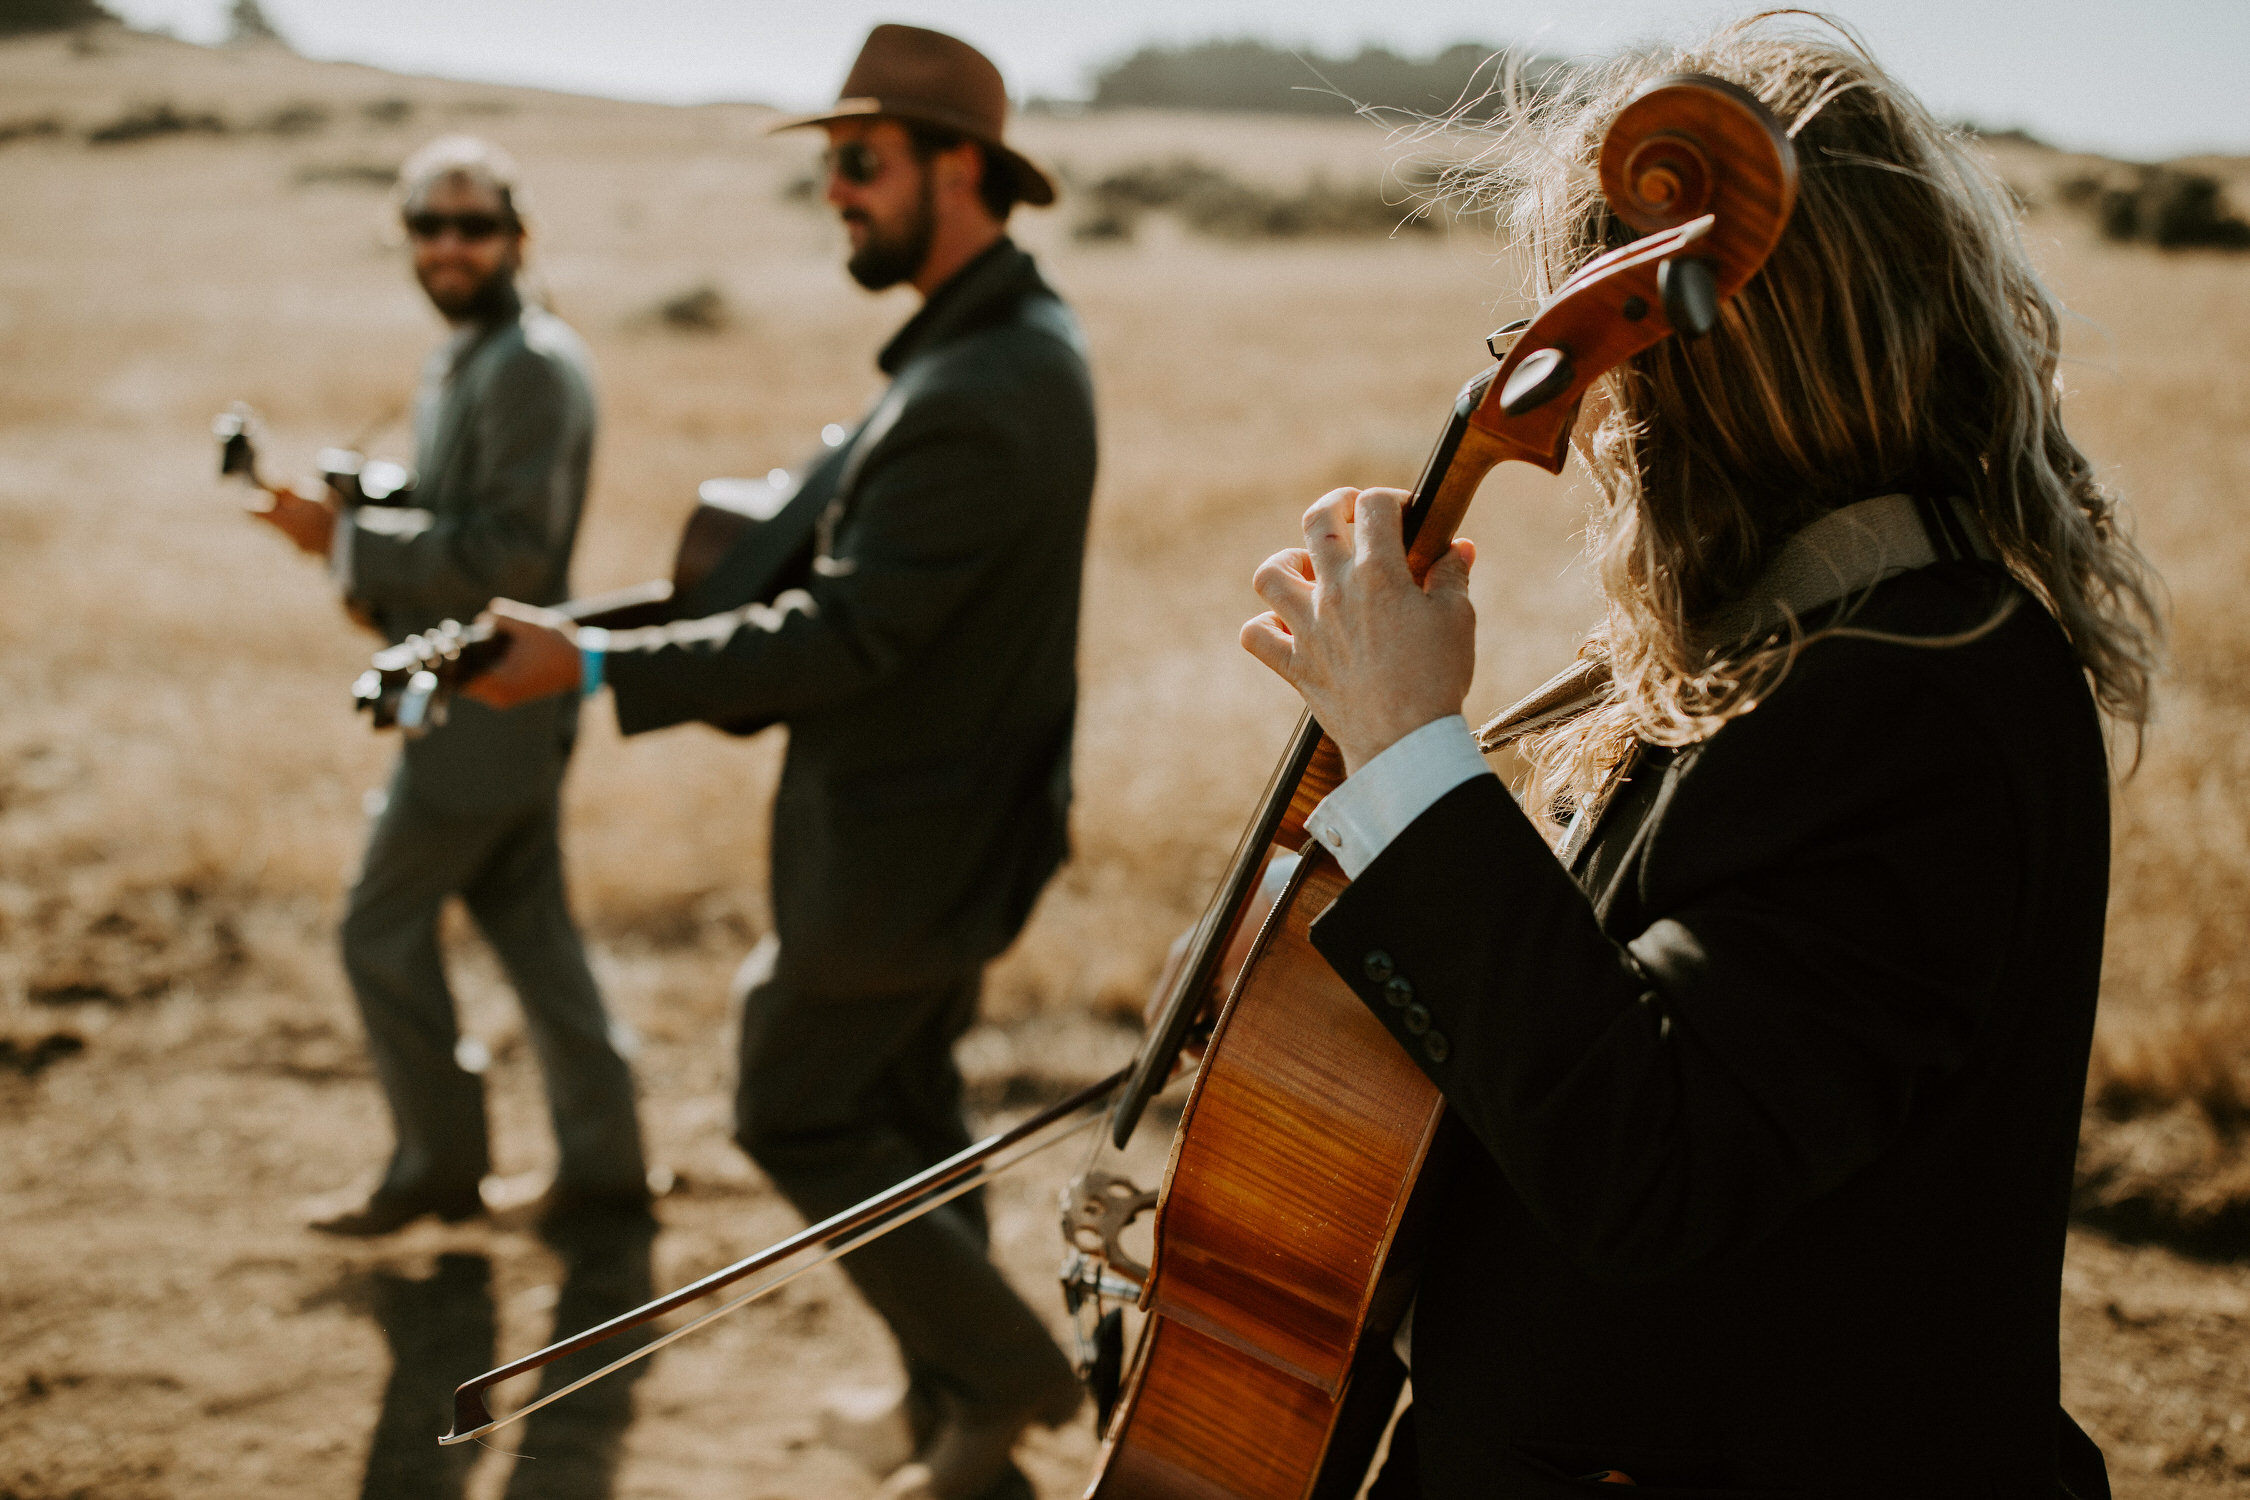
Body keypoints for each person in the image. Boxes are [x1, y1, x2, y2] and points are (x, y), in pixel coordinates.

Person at [1238, 20, 2158, 1500]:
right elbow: (1557, 1045)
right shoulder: (1791, 659)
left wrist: (1410, 755)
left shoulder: (1912, 693)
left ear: (1693, 381)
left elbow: (1654, 1163)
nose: (1595, 414)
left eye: (1608, 366)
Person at [463, 27, 1093, 1500]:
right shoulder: (985, 344)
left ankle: (1005, 1374)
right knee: (913, 1119)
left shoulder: (981, 385)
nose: (836, 194)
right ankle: (959, 1420)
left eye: (860, 163)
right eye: (828, 167)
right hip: (949, 833)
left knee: (791, 1105)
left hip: (904, 846)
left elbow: (841, 638)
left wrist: (602, 663)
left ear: (962, 170)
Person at [253, 136, 648, 1238]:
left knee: (376, 927)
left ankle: (438, 1167)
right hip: (497, 700)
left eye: (473, 226)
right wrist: (362, 524)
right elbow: (456, 513)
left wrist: (349, 540)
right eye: (428, 224)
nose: (450, 246)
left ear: (519, 237)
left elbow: (511, 557)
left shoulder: (526, 361)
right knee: (533, 934)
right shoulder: (475, 352)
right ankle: (605, 1171)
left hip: (490, 701)